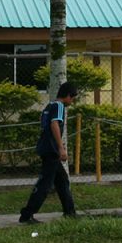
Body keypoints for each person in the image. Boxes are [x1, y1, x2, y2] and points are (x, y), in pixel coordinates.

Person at [18, 82, 79, 224]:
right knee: (44, 184)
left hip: (46, 147)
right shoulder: (59, 106)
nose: (72, 101)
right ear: (68, 95)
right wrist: (61, 147)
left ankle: (70, 212)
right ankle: (27, 214)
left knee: (62, 181)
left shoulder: (49, 105)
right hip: (51, 149)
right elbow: (54, 124)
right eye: (73, 98)